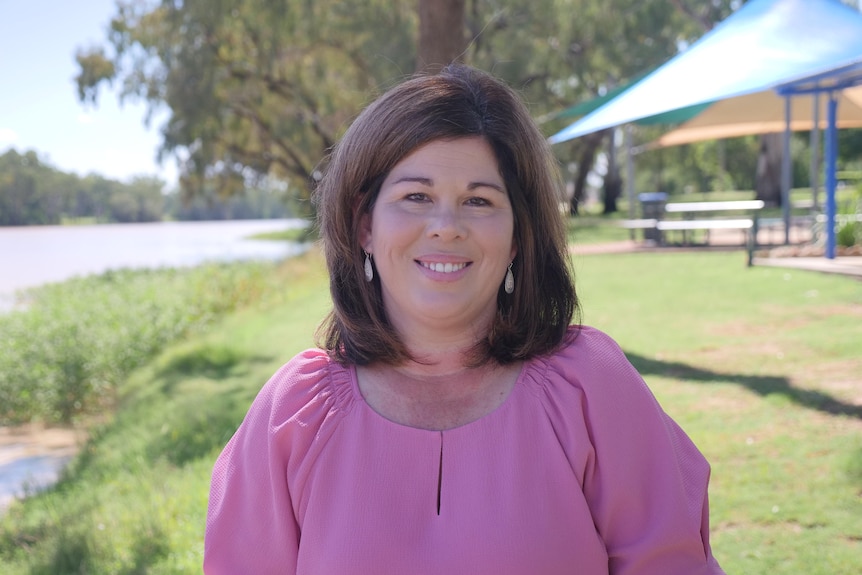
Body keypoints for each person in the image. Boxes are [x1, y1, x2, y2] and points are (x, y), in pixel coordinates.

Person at [204, 64, 725, 575]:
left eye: (478, 200)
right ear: (365, 224)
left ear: (519, 234)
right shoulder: (293, 417)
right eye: (416, 197)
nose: (446, 227)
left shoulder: (590, 388)